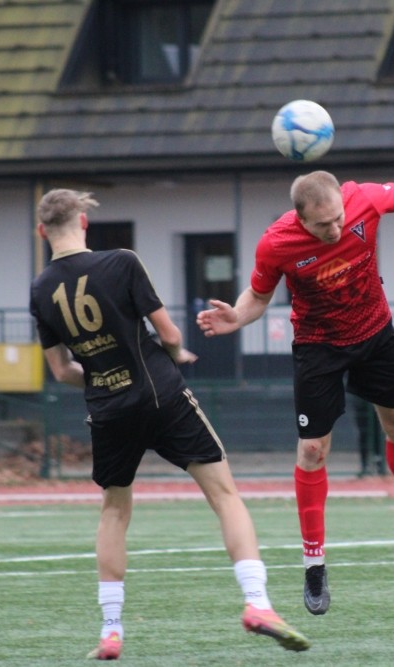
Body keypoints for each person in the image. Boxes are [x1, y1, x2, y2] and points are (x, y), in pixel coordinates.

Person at [28, 190, 309, 659]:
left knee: (114, 512)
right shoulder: (121, 262)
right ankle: (257, 603)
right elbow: (170, 334)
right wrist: (176, 353)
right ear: (84, 222)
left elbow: (61, 371)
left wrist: (101, 377)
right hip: (160, 393)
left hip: (108, 408)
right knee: (224, 495)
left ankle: (111, 630)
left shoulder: (40, 290)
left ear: (42, 231)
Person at [196, 170, 394, 615]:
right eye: (324, 224)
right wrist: (237, 316)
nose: (336, 228)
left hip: (376, 333)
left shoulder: (363, 199)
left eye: (339, 218)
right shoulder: (276, 243)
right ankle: (314, 564)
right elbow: (258, 296)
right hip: (318, 346)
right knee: (312, 450)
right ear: (301, 219)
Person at [352, 395, 385, 477]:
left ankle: (379, 463)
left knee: (378, 434)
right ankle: (365, 465)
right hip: (362, 404)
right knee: (363, 434)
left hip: (377, 403)